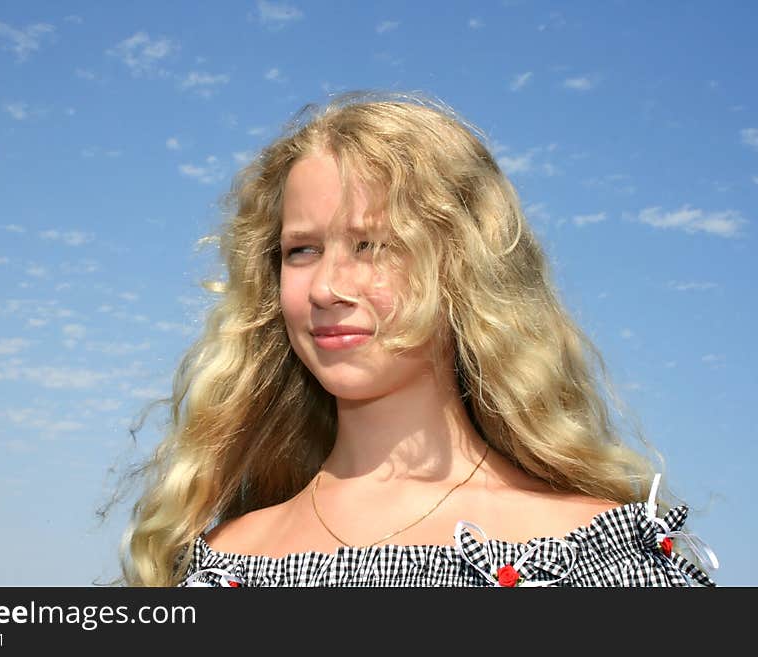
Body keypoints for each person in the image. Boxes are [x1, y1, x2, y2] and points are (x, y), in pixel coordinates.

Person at [115, 91, 718, 587]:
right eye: (301, 250)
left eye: (372, 245)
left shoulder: (601, 564)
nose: (326, 287)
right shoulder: (217, 566)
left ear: (464, 266)